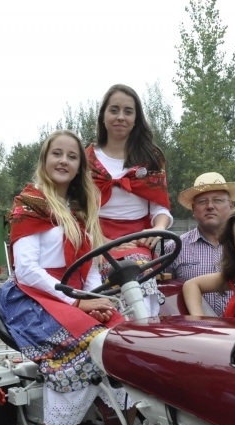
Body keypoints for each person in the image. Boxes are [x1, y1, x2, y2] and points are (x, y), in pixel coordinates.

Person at [0, 130, 130, 425]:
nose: (64, 161)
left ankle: (124, 423)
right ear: (45, 160)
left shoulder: (81, 208)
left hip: (71, 293)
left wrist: (95, 299)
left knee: (125, 339)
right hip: (29, 297)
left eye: (72, 156)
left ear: (79, 167)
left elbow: (86, 268)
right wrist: (76, 302)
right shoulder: (31, 202)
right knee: (83, 347)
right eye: (57, 153)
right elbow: (26, 271)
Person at [87, 84, 173, 317]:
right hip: (93, 241)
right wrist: (102, 241)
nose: (120, 117)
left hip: (137, 242)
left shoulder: (150, 159)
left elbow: (160, 207)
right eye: (114, 110)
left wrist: (157, 229)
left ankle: (143, 330)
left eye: (128, 111)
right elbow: (76, 212)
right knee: (91, 287)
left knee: (136, 278)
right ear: (103, 116)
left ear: (136, 119)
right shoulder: (86, 160)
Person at [164, 172, 235, 316]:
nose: (210, 206)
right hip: (196, 333)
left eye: (218, 200)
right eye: (202, 202)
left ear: (231, 205)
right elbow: (165, 294)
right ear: (193, 210)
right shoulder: (174, 248)